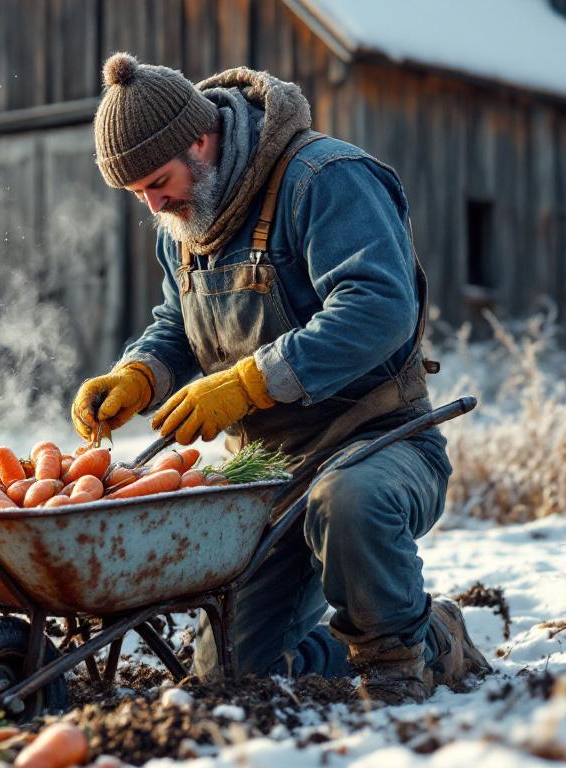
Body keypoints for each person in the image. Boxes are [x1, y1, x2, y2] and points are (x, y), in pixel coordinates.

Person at [69, 53, 489, 702]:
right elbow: (177, 324)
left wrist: (247, 384)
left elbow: (377, 309)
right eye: (138, 195)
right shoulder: (184, 220)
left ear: (200, 140)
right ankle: (341, 645)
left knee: (347, 500)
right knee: (230, 676)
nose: (153, 203)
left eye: (158, 181)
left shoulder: (323, 180)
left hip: (377, 437)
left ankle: (419, 646)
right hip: (266, 466)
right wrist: (140, 374)